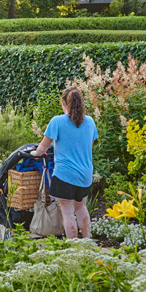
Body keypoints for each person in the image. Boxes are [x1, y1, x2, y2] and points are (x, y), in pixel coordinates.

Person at [30, 87, 98, 239]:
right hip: (85, 175)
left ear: (63, 102)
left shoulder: (57, 121)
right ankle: (87, 242)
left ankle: (73, 248)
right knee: (81, 209)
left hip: (65, 175)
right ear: (81, 103)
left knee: (67, 213)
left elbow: (43, 147)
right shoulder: (90, 122)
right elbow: (89, 145)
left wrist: (35, 154)